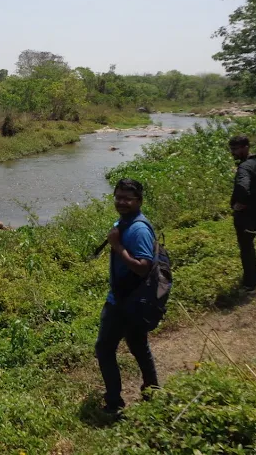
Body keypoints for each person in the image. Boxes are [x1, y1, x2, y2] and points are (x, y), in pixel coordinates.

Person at [95, 178, 159, 415]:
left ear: (139, 201)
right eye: (118, 197)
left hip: (125, 301)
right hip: (130, 297)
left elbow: (143, 267)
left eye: (127, 199)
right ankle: (152, 389)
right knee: (138, 344)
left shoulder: (139, 229)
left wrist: (117, 246)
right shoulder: (125, 221)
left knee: (104, 349)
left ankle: (114, 403)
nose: (121, 202)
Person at [228, 134, 256, 293]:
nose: (233, 152)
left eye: (236, 149)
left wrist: (241, 204)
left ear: (246, 147)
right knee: (249, 247)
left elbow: (243, 187)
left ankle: (250, 284)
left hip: (246, 216)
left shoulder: (244, 167)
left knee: (246, 248)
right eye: (231, 149)